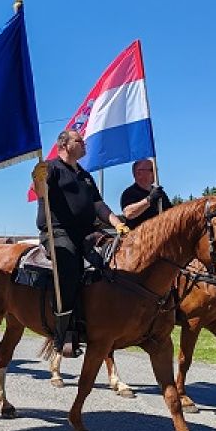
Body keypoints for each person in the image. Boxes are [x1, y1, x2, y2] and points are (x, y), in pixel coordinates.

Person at [37, 129, 128, 356]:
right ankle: (63, 332)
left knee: (111, 263)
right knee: (68, 264)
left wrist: (118, 224)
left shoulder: (85, 176)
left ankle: (100, 320)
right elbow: (40, 192)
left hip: (87, 233)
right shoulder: (51, 168)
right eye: (79, 140)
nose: (84, 144)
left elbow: (98, 204)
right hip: (58, 232)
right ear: (65, 145)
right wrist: (37, 178)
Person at [120, 159, 172, 229]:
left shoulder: (160, 193)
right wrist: (149, 200)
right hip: (138, 237)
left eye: (156, 170)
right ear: (139, 174)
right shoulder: (129, 193)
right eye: (152, 170)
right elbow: (128, 213)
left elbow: (170, 213)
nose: (155, 173)